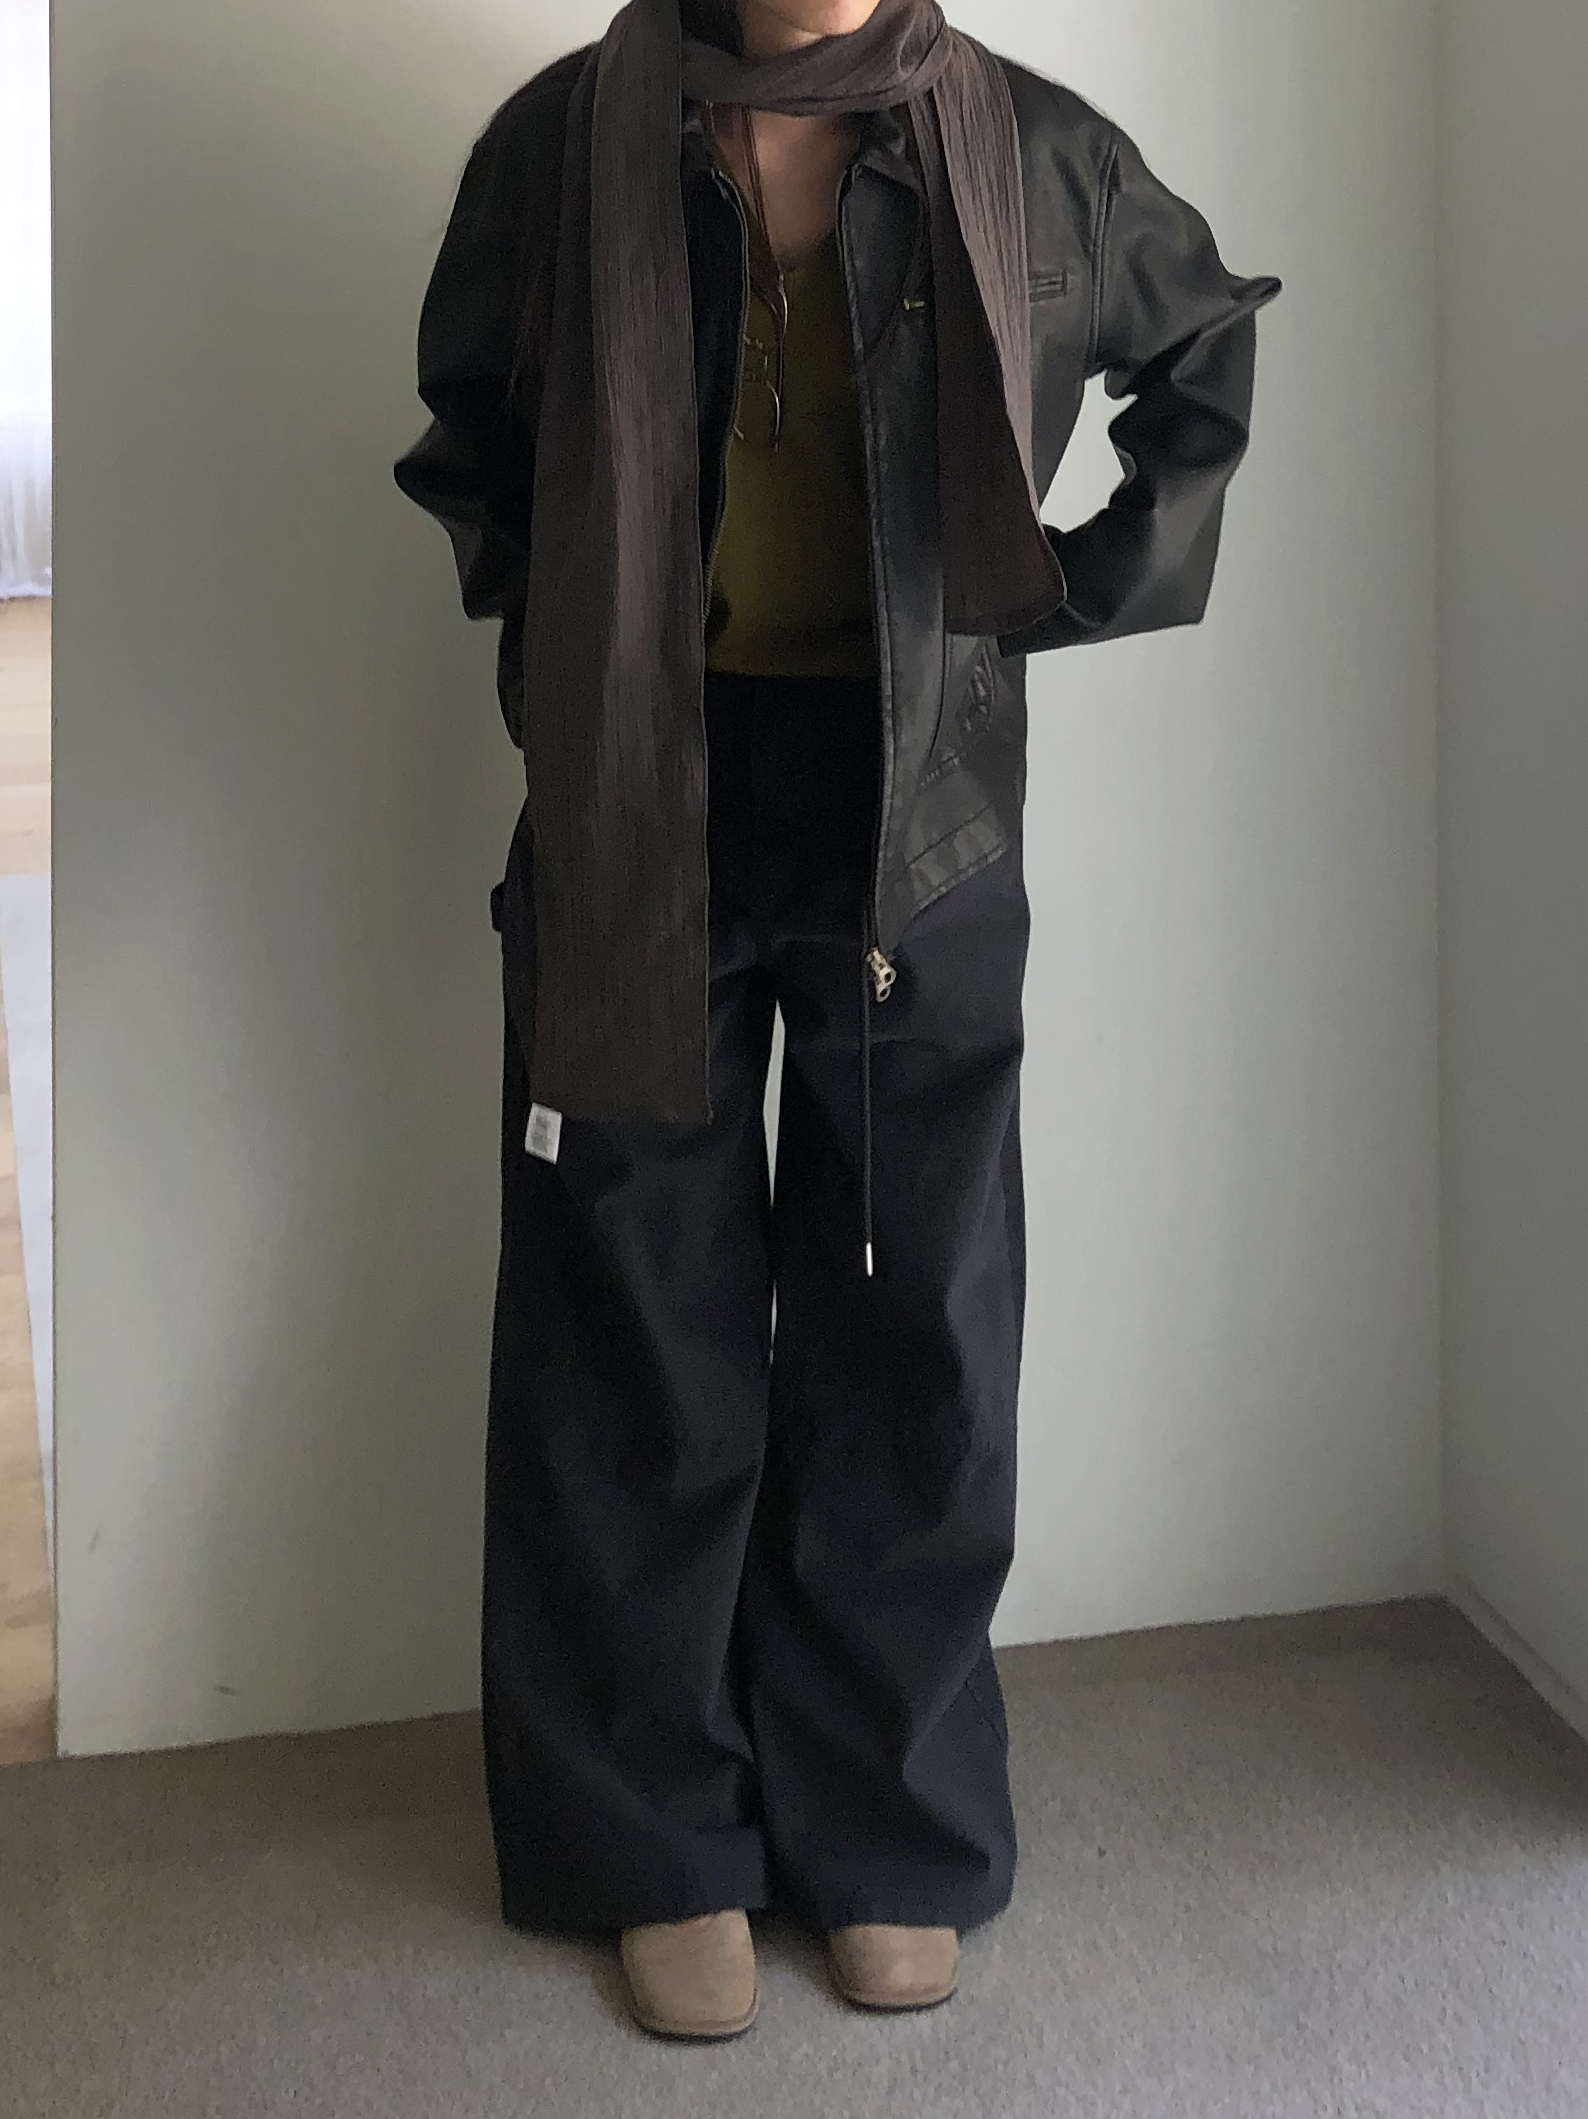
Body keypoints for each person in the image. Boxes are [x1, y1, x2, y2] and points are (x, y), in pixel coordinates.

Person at [394, 0, 1279, 2044]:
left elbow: (1201, 357)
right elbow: (467, 420)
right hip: (640, 798)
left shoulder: (1031, 147)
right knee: (636, 1316)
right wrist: (567, 651)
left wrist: (1064, 587)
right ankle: (653, 1841)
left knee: (914, 1320)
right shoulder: (565, 141)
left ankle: (887, 1826)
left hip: (922, 811)